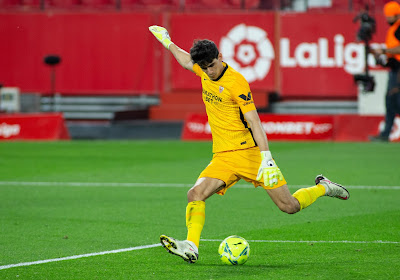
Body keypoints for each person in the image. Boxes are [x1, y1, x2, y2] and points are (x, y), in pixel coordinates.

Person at [148, 25, 350, 263]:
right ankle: (191, 245)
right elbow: (184, 61)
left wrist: (266, 158)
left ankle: (324, 187)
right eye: (204, 67)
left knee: (290, 206)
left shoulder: (237, 83)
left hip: (250, 154)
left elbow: (254, 121)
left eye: (211, 65)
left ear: (220, 57)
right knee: (195, 194)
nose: (208, 71)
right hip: (223, 156)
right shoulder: (203, 70)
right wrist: (167, 41)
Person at [369, 1, 400, 142]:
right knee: (391, 101)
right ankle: (386, 133)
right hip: (394, 69)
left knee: (394, 101)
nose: (387, 19)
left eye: (389, 16)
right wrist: (381, 56)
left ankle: (386, 133)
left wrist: (384, 51)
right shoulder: (393, 29)